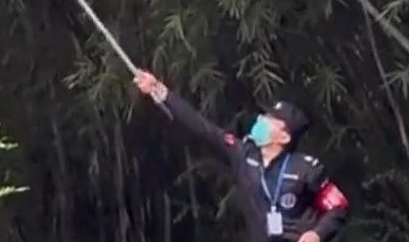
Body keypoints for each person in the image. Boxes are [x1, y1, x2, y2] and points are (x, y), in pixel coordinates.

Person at [134, 70, 349, 242]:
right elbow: (203, 128)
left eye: (271, 121)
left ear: (283, 137)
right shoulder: (243, 155)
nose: (262, 121)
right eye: (265, 116)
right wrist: (159, 91)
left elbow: (338, 208)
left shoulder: (306, 169)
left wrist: (315, 235)